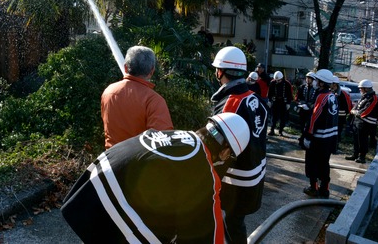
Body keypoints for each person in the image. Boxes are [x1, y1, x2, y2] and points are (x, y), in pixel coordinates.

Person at [61, 113, 251, 244]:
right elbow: (207, 236)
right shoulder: (204, 171)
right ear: (226, 153)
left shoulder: (177, 135)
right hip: (114, 210)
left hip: (90, 188)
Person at [211, 46, 269, 244]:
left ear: (220, 72)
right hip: (254, 174)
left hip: (235, 180)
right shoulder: (258, 100)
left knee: (231, 226)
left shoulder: (231, 104)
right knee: (236, 223)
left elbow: (213, 146)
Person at [101, 45, 173, 149]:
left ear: (125, 67)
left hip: (112, 159)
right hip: (140, 162)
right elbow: (163, 139)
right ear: (151, 72)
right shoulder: (154, 100)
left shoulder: (108, 92)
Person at [301, 69, 339, 198]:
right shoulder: (332, 95)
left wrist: (308, 136)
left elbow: (315, 118)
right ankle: (325, 190)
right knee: (324, 164)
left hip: (319, 138)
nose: (315, 82)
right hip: (330, 137)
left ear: (322, 83)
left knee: (312, 164)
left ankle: (313, 188)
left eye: (317, 80)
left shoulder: (321, 96)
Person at [345, 79, 378, 164]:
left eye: (361, 88)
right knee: (356, 139)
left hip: (366, 124)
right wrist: (353, 111)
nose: (360, 90)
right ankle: (355, 154)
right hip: (358, 122)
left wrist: (356, 112)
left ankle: (362, 157)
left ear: (366, 89)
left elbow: (366, 111)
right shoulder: (364, 96)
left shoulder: (374, 98)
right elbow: (357, 106)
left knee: (363, 140)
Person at [268, 71, 293, 136]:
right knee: (273, 117)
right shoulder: (272, 83)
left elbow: (290, 94)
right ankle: (272, 129)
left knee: (283, 117)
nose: (277, 81)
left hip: (283, 102)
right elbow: (269, 93)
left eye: (279, 80)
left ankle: (280, 131)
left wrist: (288, 103)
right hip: (275, 101)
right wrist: (269, 100)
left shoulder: (287, 84)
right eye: (276, 80)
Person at [295, 71, 317, 145]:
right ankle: (302, 136)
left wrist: (310, 106)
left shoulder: (316, 89)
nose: (308, 80)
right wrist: (300, 104)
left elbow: (316, 101)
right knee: (302, 124)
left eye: (310, 78)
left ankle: (304, 138)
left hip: (311, 110)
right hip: (302, 109)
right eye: (307, 78)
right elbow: (297, 97)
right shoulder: (302, 87)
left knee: (308, 125)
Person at [330, 75, 352, 146]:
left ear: (335, 84)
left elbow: (349, 107)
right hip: (330, 118)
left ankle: (335, 146)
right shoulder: (328, 93)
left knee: (337, 133)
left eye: (332, 83)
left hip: (339, 119)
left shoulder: (343, 94)